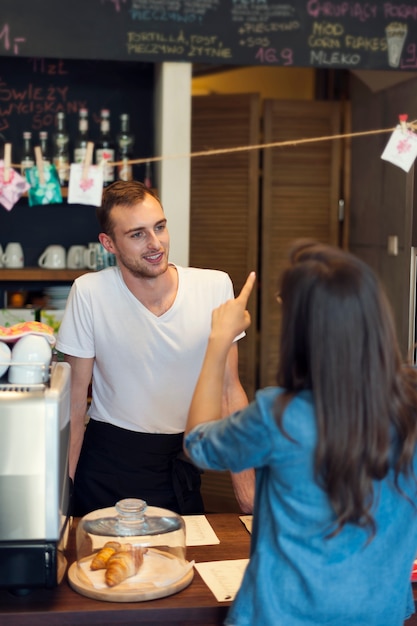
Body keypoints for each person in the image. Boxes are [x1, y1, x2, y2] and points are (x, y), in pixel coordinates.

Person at [184, 239, 417, 626]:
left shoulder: (280, 416)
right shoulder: (409, 406)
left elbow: (198, 443)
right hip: (380, 614)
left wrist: (218, 341)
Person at [56, 180, 254, 517]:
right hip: (107, 461)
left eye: (159, 227)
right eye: (137, 234)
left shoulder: (214, 286)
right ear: (109, 243)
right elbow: (75, 403)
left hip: (179, 465)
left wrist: (247, 494)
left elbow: (228, 392)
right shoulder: (89, 293)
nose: (156, 243)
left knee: (183, 566)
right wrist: (62, 497)